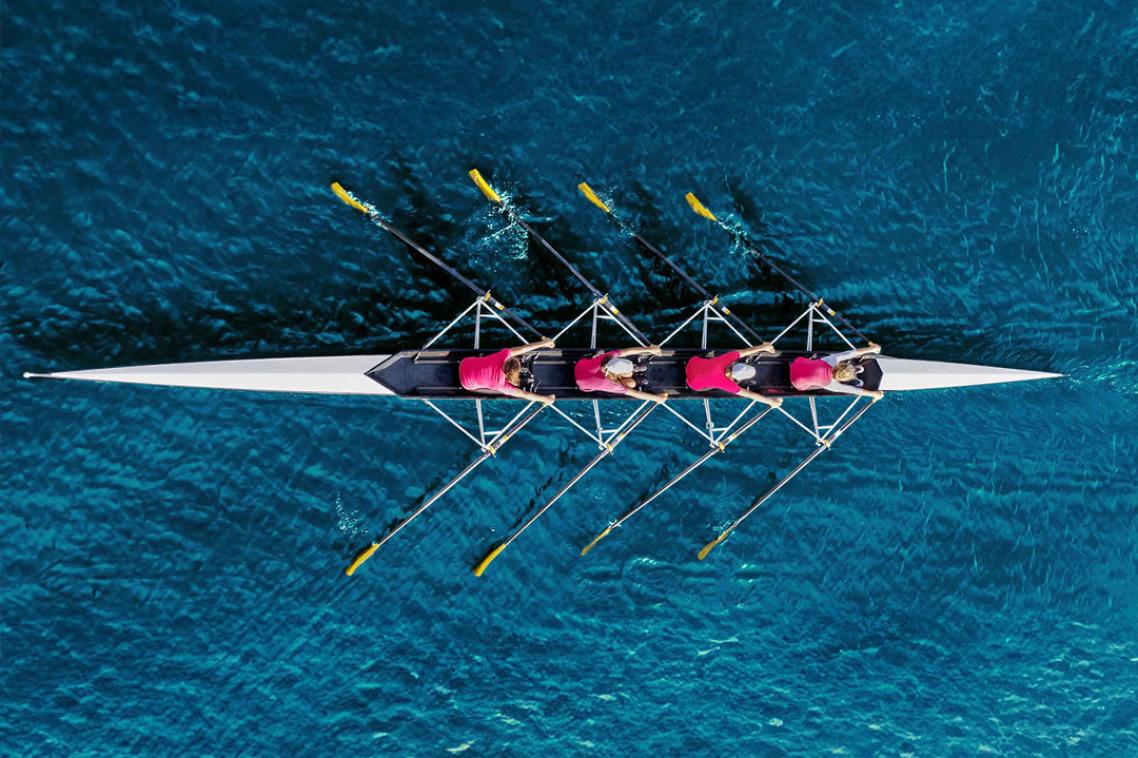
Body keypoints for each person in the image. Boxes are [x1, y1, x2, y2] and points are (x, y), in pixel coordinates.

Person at [459, 338, 557, 404]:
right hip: (466, 384)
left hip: (464, 362)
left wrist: (544, 343)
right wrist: (546, 399)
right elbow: (524, 394)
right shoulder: (502, 385)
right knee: (500, 391)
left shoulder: (503, 355)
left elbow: (522, 348)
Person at [685, 342, 783, 408]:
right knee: (715, 386)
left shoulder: (727, 359)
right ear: (735, 379)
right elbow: (750, 394)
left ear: (735, 364)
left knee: (711, 363)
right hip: (692, 384)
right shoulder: (726, 383)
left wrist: (763, 347)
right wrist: (771, 402)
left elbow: (745, 352)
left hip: (692, 362)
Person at [574, 345, 668, 404]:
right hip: (585, 384)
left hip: (583, 366)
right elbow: (633, 393)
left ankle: (632, 370)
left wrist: (649, 350)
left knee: (629, 375)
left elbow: (626, 351)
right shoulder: (607, 383)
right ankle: (633, 373)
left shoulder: (606, 358)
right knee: (631, 384)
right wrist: (657, 398)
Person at [790, 342, 883, 400]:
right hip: (796, 384)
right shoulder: (830, 384)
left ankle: (854, 370)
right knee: (820, 386)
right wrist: (875, 394)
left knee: (817, 363)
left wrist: (872, 348)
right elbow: (854, 390)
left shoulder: (830, 361)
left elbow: (850, 353)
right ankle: (854, 375)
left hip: (796, 363)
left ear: (839, 365)